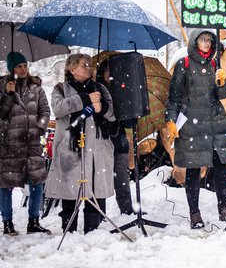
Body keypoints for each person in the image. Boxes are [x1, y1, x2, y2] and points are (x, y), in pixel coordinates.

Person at [165, 29, 226, 229]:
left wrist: (222, 83)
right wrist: (170, 119)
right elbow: (174, 97)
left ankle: (223, 208)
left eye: (209, 40)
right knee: (194, 169)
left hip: (215, 124)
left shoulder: (215, 64)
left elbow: (221, 95)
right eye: (203, 39)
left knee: (221, 166)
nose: (207, 43)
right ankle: (194, 213)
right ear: (195, 42)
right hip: (193, 126)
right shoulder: (184, 64)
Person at [45, 53, 116, 234]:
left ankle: (93, 230)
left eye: (89, 65)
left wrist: (102, 107)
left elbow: (113, 114)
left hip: (97, 146)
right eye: (84, 65)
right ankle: (69, 229)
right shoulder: (61, 88)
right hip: (71, 145)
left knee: (94, 188)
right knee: (70, 189)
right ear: (72, 68)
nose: (88, 68)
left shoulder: (100, 88)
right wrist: (84, 99)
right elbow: (59, 108)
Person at [0, 52, 51, 235]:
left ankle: (34, 221)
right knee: (6, 184)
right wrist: (7, 94)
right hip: (9, 143)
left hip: (31, 143)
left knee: (37, 182)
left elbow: (45, 111)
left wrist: (39, 128)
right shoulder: (2, 85)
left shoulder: (36, 87)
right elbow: (1, 114)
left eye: (25, 66)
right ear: (11, 68)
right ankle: (7, 222)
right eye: (18, 66)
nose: (23, 70)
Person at [96, 59, 134, 215]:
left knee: (122, 180)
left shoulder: (122, 91)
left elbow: (129, 123)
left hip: (119, 142)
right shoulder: (96, 91)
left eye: (113, 71)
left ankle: (127, 212)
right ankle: (100, 215)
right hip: (101, 142)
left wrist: (128, 106)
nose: (110, 74)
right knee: (101, 181)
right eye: (106, 71)